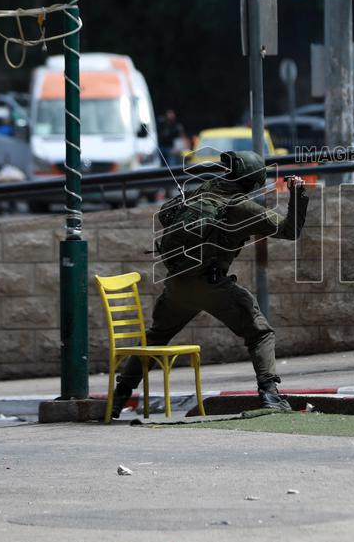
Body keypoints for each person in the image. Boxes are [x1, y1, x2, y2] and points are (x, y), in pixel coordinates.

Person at [109, 150, 309, 417]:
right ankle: (270, 395)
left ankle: (118, 397)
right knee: (260, 333)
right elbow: (289, 231)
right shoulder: (240, 206)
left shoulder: (199, 193)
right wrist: (297, 194)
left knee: (156, 338)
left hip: (177, 285)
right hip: (211, 285)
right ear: (252, 181)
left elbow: (164, 215)